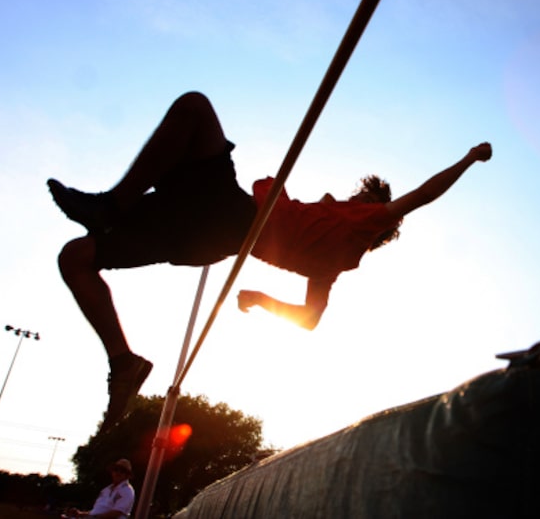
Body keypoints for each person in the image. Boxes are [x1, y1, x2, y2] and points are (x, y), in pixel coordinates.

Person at [48, 91, 492, 431]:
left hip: (227, 215)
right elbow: (310, 320)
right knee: (76, 257)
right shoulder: (331, 265)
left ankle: (110, 206)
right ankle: (124, 362)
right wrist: (263, 300)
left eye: (359, 196)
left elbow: (422, 195)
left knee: (195, 107)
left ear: (374, 214)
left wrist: (469, 159)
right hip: (203, 229)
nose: (344, 196)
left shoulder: (361, 225)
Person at [63, 458, 135, 518]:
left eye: (122, 471)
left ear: (127, 475)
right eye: (116, 469)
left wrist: (93, 518)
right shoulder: (106, 490)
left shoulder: (127, 491)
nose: (118, 473)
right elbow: (97, 510)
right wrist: (80, 514)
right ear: (112, 472)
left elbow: (116, 513)